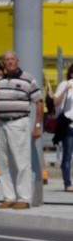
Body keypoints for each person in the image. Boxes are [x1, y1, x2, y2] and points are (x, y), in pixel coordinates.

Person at [0, 49, 44, 210]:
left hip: (18, 122)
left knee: (21, 161)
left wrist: (37, 125)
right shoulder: (0, 81)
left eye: (12, 59)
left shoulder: (28, 79)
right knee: (5, 162)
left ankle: (24, 198)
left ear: (17, 60)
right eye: (6, 60)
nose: (9, 62)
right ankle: (9, 196)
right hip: (2, 124)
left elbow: (39, 102)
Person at [53, 63, 73, 192]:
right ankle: (67, 183)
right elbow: (55, 102)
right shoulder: (65, 85)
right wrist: (66, 89)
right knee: (67, 156)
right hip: (69, 125)